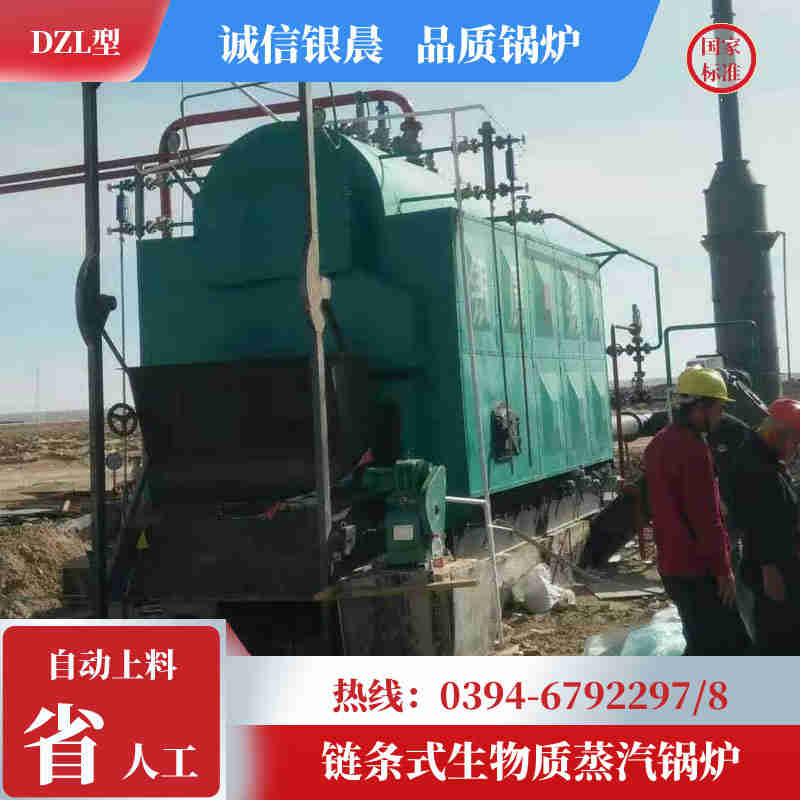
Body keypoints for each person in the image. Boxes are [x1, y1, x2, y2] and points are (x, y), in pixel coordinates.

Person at [643, 367, 750, 655]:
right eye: (719, 408)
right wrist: (723, 571)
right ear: (701, 407)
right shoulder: (693, 450)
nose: (721, 416)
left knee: (701, 643)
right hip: (699, 570)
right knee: (730, 646)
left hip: (672, 567)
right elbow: (706, 518)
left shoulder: (659, 442)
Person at [728, 398, 800, 654]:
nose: (796, 449)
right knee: (778, 635)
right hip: (772, 570)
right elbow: (759, 523)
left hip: (775, 563)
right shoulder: (758, 470)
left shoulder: (761, 457)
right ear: (781, 434)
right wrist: (770, 571)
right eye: (796, 442)